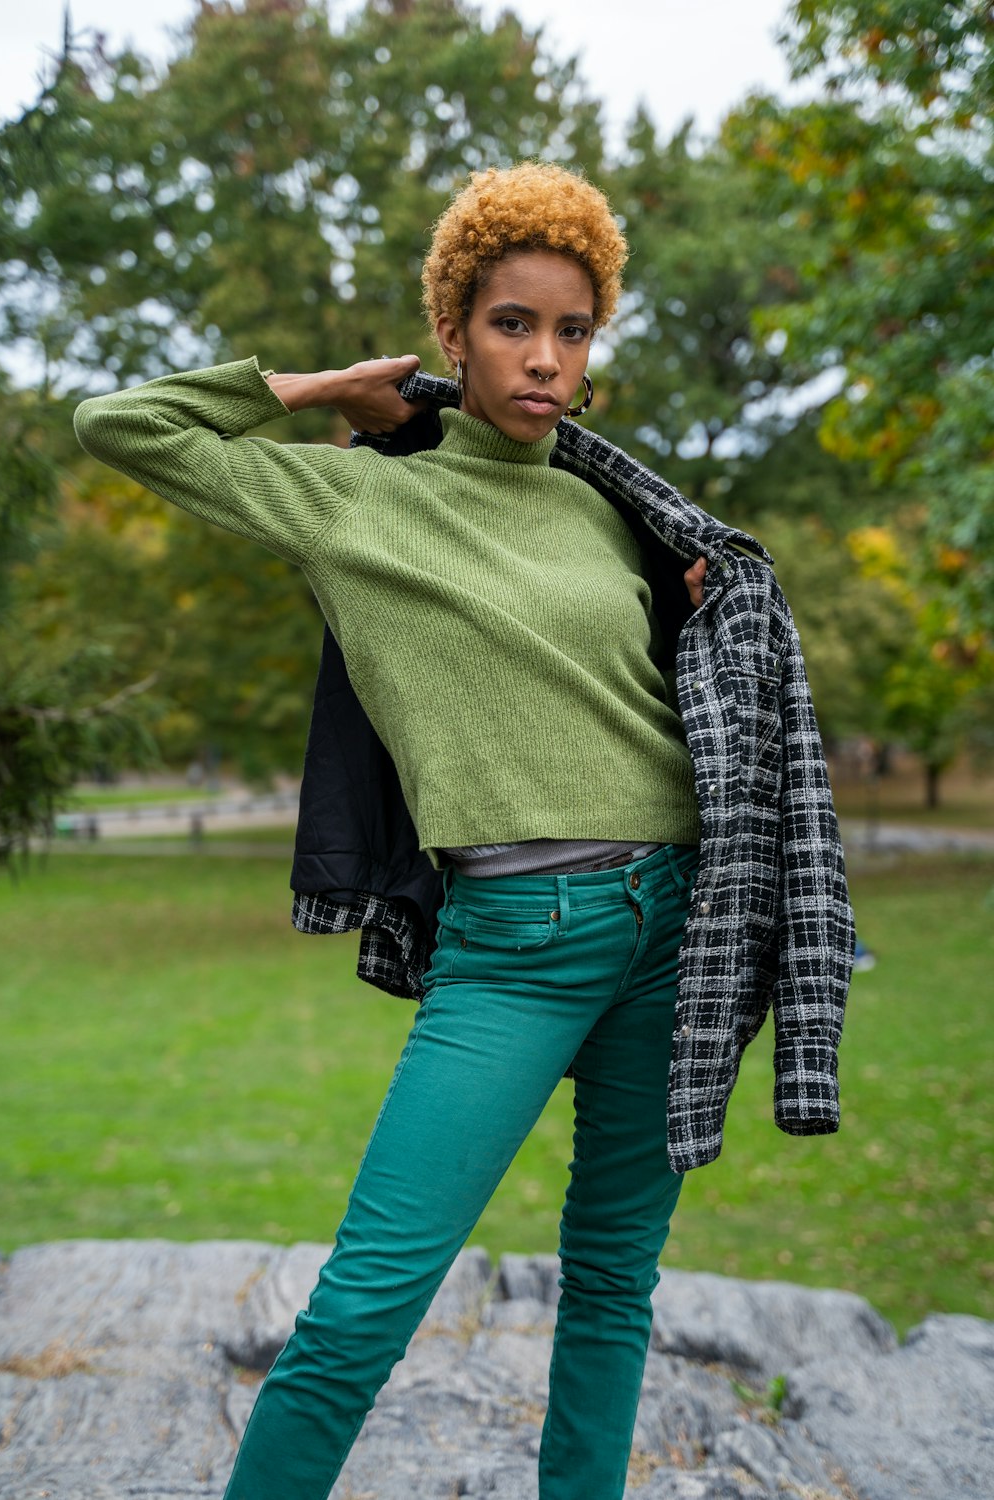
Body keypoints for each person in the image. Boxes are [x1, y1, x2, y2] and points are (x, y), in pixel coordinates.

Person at [74, 161, 853, 1500]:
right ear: (452, 332)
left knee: (613, 1287)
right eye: (511, 324)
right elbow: (118, 424)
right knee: (362, 1309)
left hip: (683, 924)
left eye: (572, 329)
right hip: (517, 940)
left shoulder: (617, 508)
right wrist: (323, 393)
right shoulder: (356, 500)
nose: (544, 358)